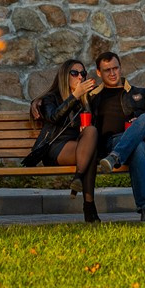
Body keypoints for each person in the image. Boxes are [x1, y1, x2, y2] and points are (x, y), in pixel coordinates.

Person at [89, 51, 145, 223]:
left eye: (115, 68)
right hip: (113, 142)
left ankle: (115, 157)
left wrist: (141, 125)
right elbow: (61, 97)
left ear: (120, 68)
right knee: (136, 146)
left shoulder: (143, 93)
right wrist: (37, 102)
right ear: (98, 72)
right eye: (107, 70)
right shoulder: (92, 97)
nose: (112, 73)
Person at [25, 58, 102, 222]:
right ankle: (89, 208)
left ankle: (78, 178)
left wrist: (85, 99)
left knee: (91, 138)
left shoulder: (87, 99)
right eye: (74, 73)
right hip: (56, 147)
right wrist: (75, 95)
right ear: (64, 76)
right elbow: (54, 117)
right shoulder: (50, 98)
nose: (79, 77)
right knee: (89, 154)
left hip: (80, 148)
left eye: (82, 73)